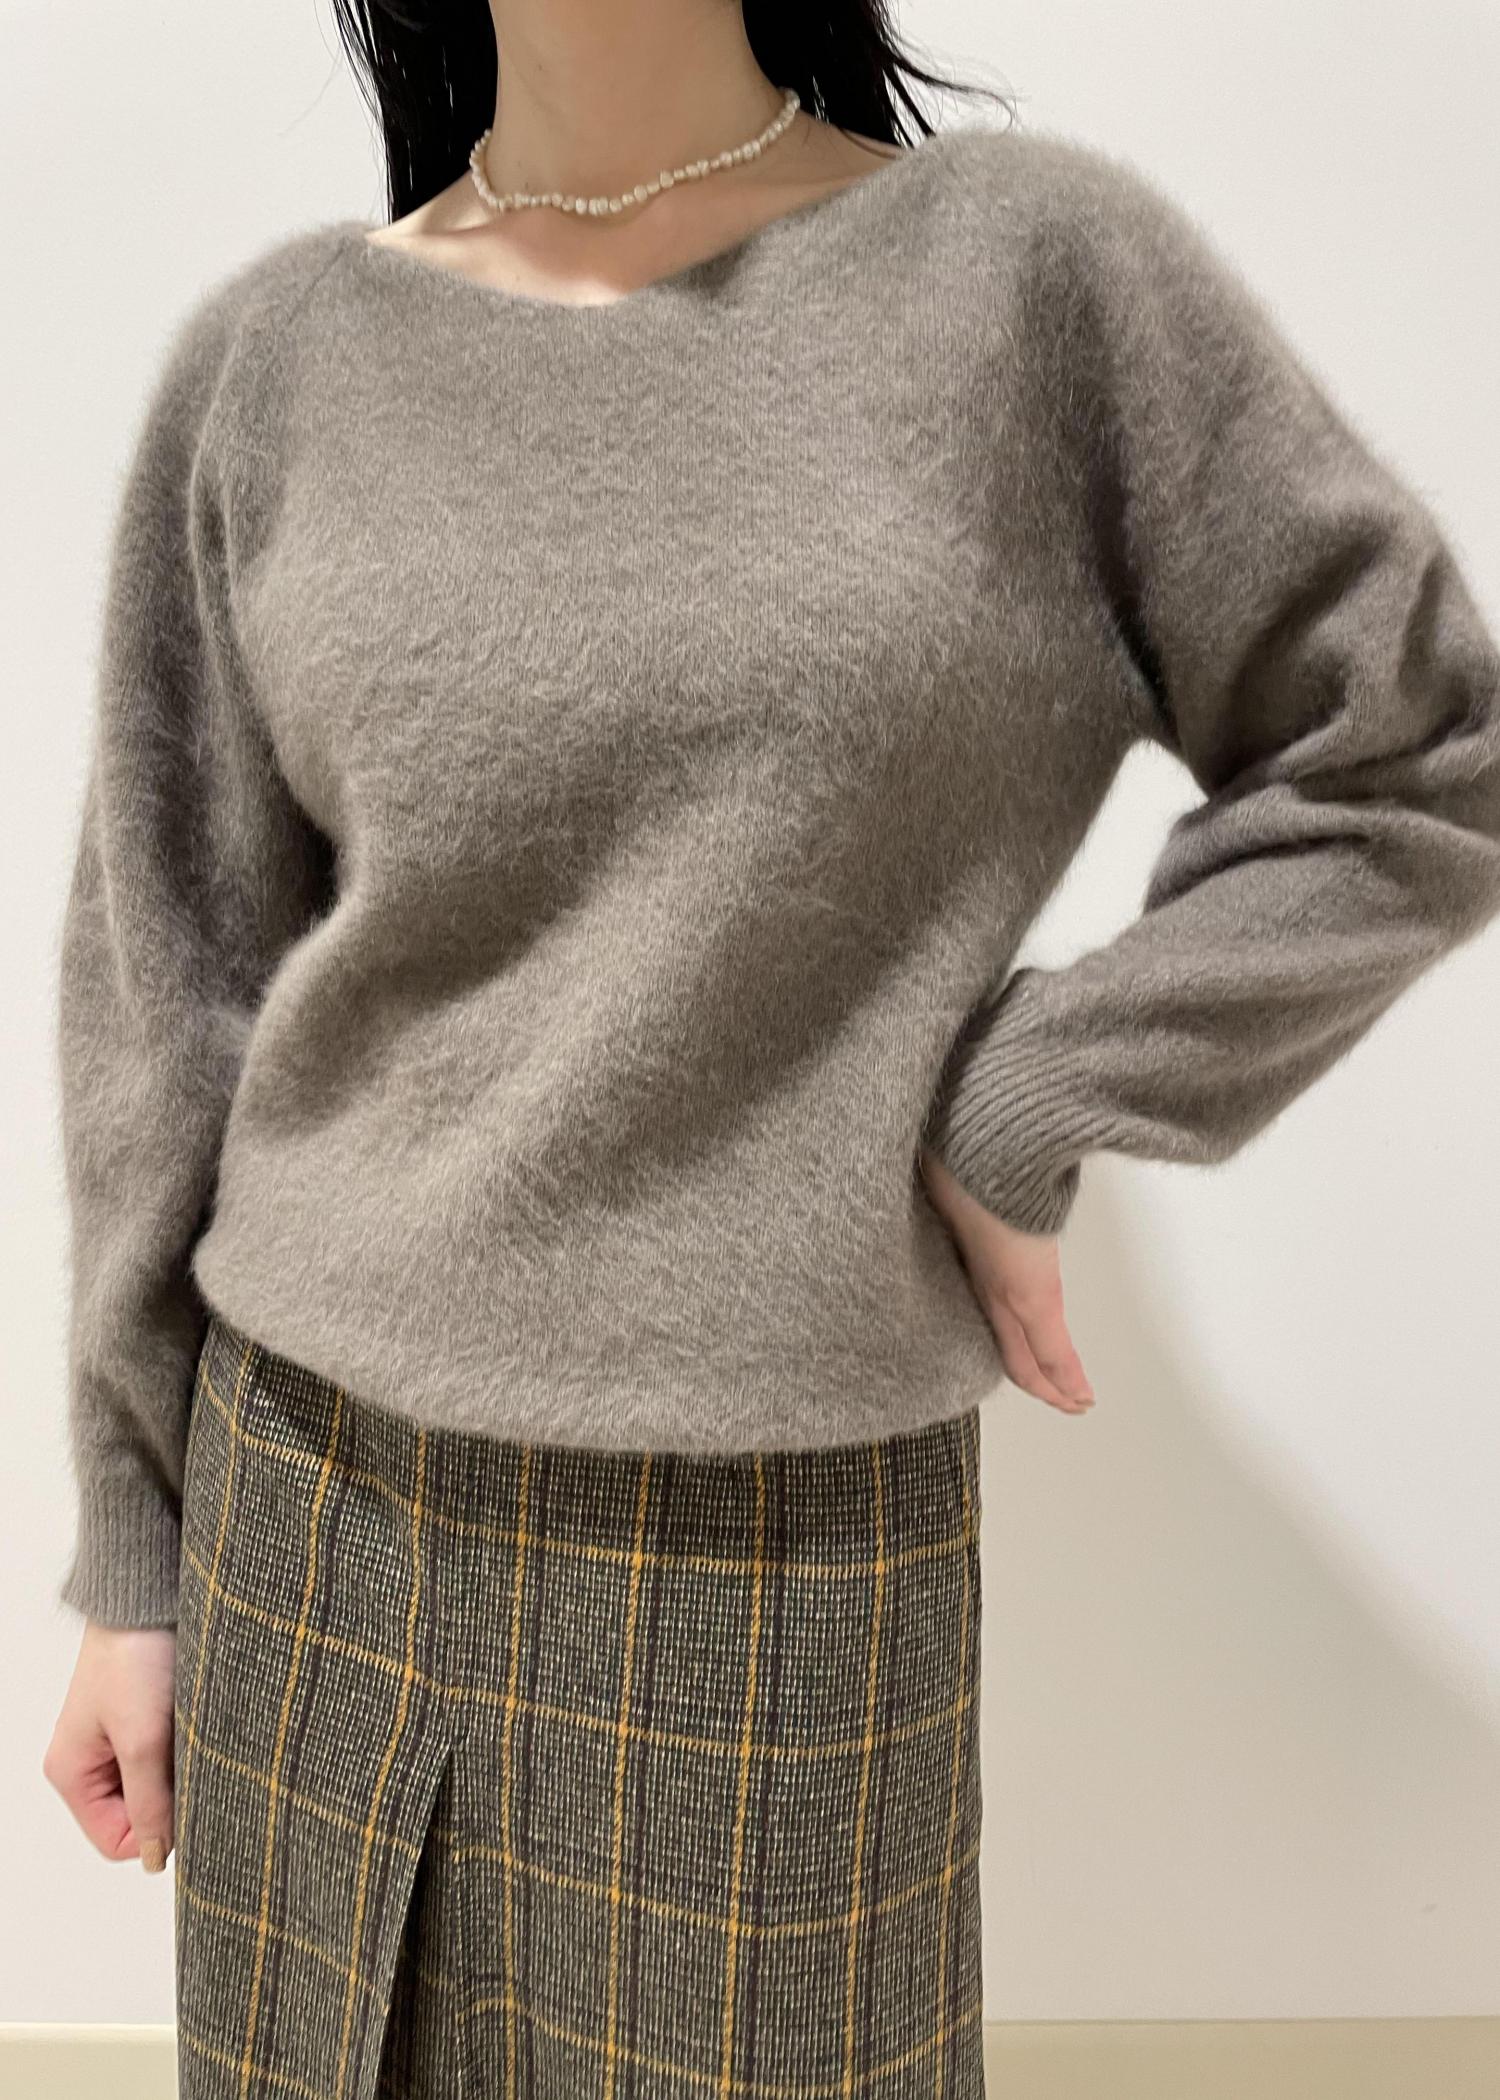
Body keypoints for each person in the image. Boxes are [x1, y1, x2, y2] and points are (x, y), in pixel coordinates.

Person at [43, 1, 1500, 2094]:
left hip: (780, 1568)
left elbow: (1416, 757)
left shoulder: (1029, 285)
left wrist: (1032, 1100)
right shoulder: (283, 363)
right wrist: (138, 1555)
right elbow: (164, 987)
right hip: (314, 1522)